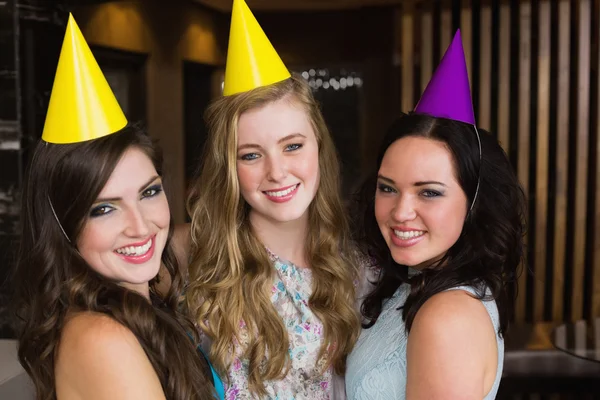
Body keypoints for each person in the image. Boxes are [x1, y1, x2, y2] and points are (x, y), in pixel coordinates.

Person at [12, 15, 223, 400]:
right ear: (63, 225)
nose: (140, 226)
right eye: (104, 209)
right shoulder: (102, 338)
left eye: (148, 193)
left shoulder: (138, 299)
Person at [179, 0, 361, 398]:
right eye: (250, 155)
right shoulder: (192, 261)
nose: (276, 172)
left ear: (318, 146)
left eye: (292, 146)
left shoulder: (355, 263)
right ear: (230, 167)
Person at [345, 30, 526, 399]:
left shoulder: (447, 317)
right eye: (388, 187)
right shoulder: (414, 283)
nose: (401, 212)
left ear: (474, 202)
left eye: (429, 192)